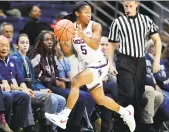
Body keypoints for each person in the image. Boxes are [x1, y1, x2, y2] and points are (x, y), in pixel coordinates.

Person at [45, 2, 136, 132]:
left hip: (99, 63)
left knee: (75, 81)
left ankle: (63, 117)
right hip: (88, 67)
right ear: (77, 13)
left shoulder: (95, 26)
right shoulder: (71, 29)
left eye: (90, 11)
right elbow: (68, 52)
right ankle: (125, 112)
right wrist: (62, 39)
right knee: (100, 99)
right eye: (86, 11)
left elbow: (94, 45)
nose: (89, 14)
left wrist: (82, 35)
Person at [107, 1, 162, 131]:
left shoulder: (146, 20)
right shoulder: (117, 22)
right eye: (125, 6)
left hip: (141, 61)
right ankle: (118, 126)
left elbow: (157, 40)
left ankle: (134, 127)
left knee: (138, 97)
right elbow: (111, 44)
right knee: (127, 95)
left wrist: (156, 61)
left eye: (130, 6)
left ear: (137, 4)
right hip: (124, 60)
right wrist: (111, 64)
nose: (128, 9)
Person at [30, 30, 95, 132]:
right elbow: (38, 77)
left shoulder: (52, 56)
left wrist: (63, 80)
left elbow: (56, 74)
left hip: (53, 86)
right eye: (46, 40)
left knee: (80, 96)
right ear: (41, 42)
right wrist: (55, 81)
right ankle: (65, 128)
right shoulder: (36, 56)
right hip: (43, 87)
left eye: (51, 40)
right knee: (77, 97)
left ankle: (73, 126)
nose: (50, 42)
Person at [13, 33, 66, 132]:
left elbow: (32, 80)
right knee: (52, 100)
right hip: (22, 90)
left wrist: (40, 89)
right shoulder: (15, 58)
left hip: (34, 88)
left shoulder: (27, 59)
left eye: (27, 43)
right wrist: (30, 89)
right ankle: (43, 127)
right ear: (17, 45)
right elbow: (20, 80)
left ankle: (52, 128)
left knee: (62, 100)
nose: (25, 45)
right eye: (22, 43)